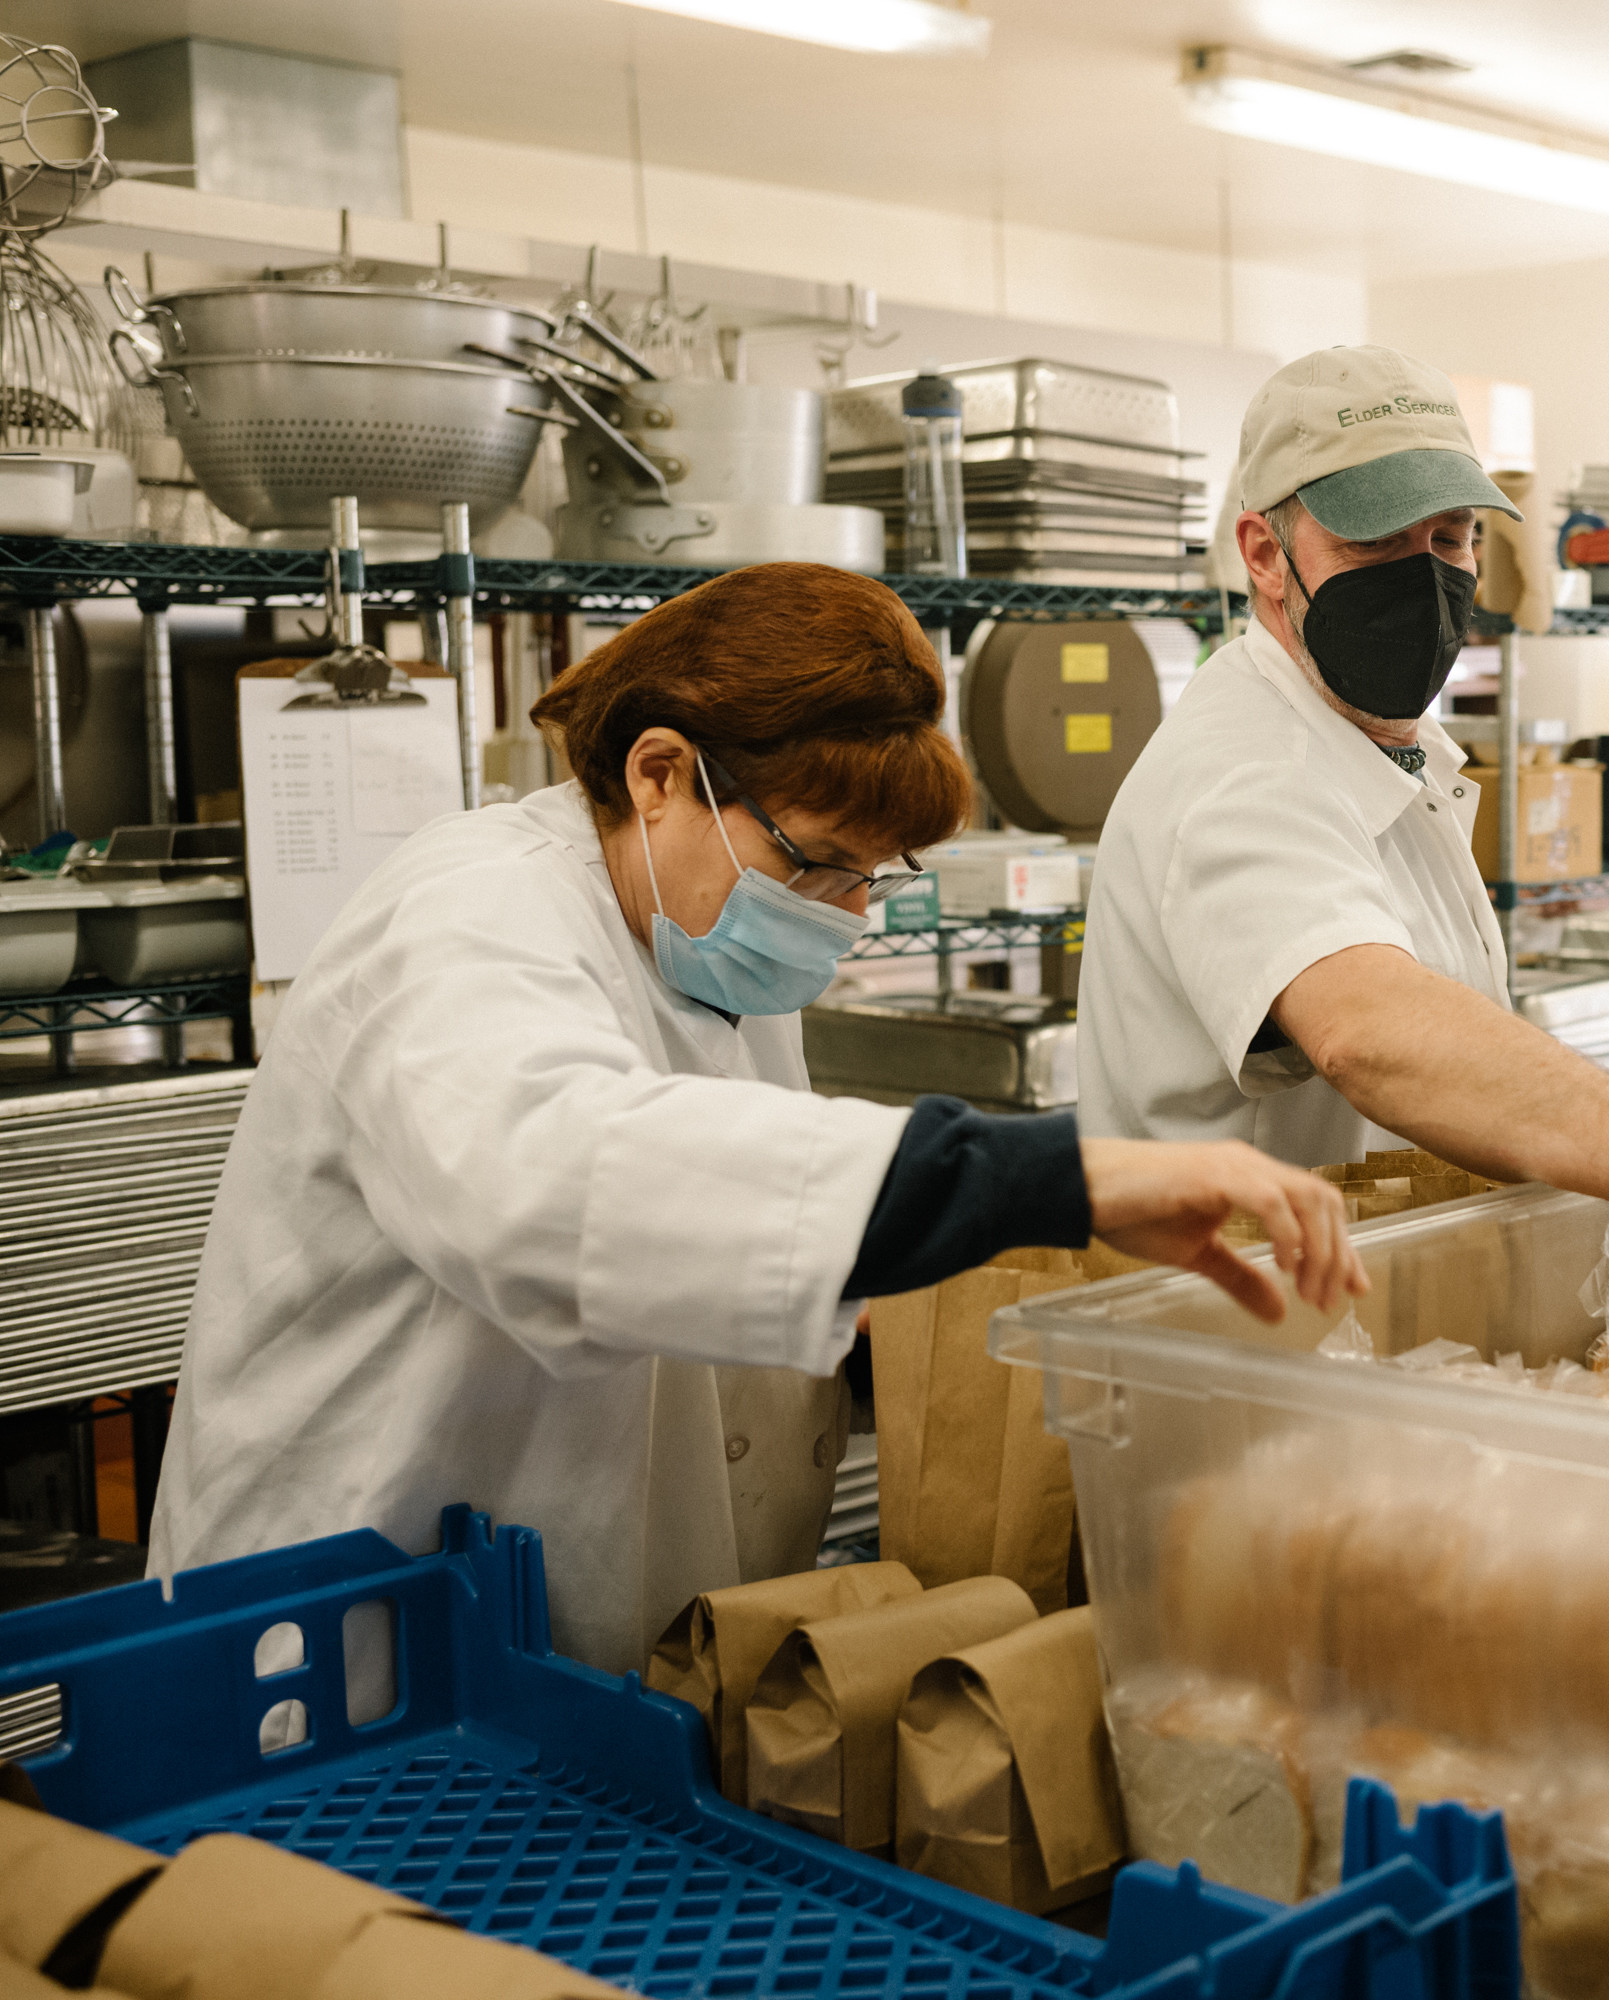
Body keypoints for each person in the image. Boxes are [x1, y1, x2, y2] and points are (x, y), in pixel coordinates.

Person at [147, 564, 1362, 1674]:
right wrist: (1050, 1175)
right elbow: (566, 1187)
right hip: (343, 1667)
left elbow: (737, 1219)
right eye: (818, 863)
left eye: (870, 881)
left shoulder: (705, 945)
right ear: (660, 773)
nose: (842, 917)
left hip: (579, 1662)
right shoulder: (463, 920)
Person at [1079, 347, 1609, 1392]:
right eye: (1373, 538)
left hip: (1357, 1355)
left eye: (1448, 537)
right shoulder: (1242, 770)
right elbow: (1372, 1031)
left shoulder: (1389, 747)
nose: (1424, 574)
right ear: (1263, 551)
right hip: (1235, 1385)